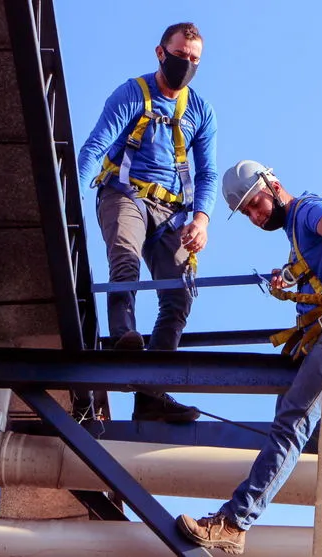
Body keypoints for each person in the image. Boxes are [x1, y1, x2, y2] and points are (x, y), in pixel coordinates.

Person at [176, 160, 322, 554]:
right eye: (248, 214)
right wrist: (291, 275)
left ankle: (234, 523)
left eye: (255, 204)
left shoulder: (306, 209)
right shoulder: (294, 234)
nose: (256, 217)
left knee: (290, 424)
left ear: (272, 184)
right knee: (293, 423)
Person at [78, 22, 218, 422]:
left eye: (194, 60)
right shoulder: (133, 93)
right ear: (161, 53)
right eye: (180, 56)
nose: (187, 64)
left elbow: (206, 172)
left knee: (179, 294)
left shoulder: (200, 111)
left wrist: (202, 220)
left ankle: (151, 393)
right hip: (125, 194)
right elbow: (97, 143)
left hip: (170, 212)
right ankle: (126, 339)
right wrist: (66, 190)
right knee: (125, 258)